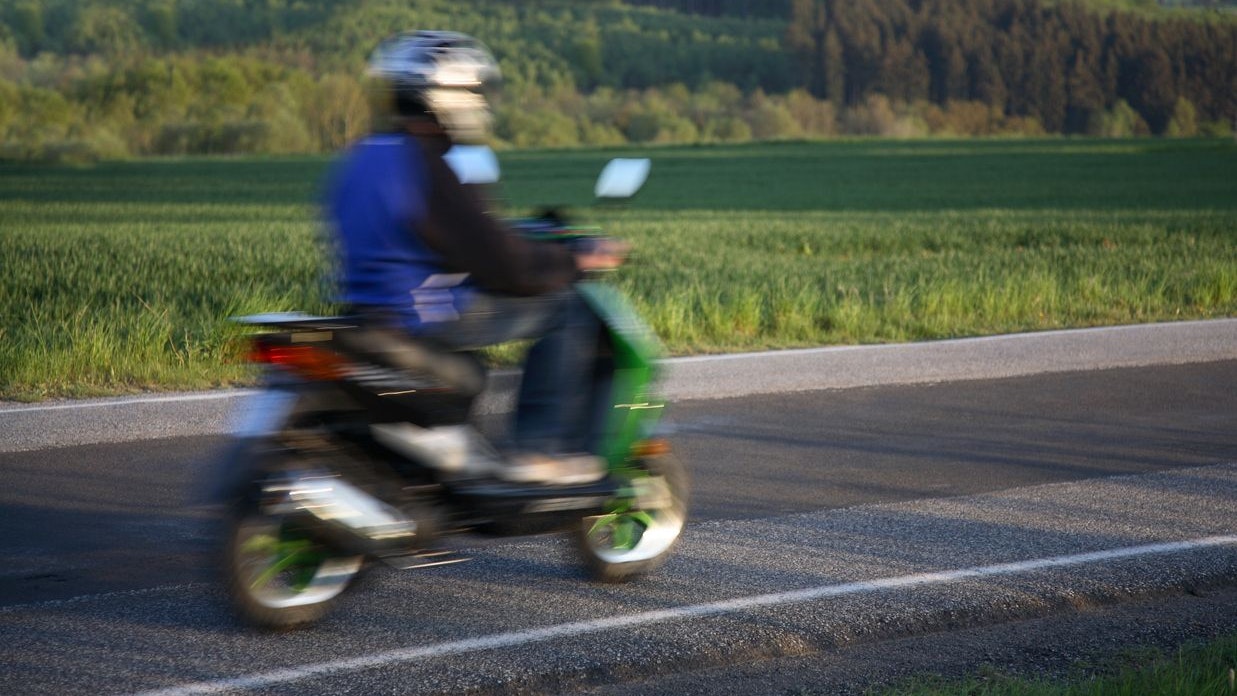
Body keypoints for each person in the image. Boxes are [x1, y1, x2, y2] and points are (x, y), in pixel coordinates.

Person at [324, 31, 626, 486]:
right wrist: (571, 263)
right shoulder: (431, 162)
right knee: (568, 308)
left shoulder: (363, 155)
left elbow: (431, 236)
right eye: (475, 91)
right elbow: (506, 268)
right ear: (448, 95)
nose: (480, 103)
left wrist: (501, 242)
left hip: (367, 308)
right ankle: (539, 448)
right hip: (422, 310)